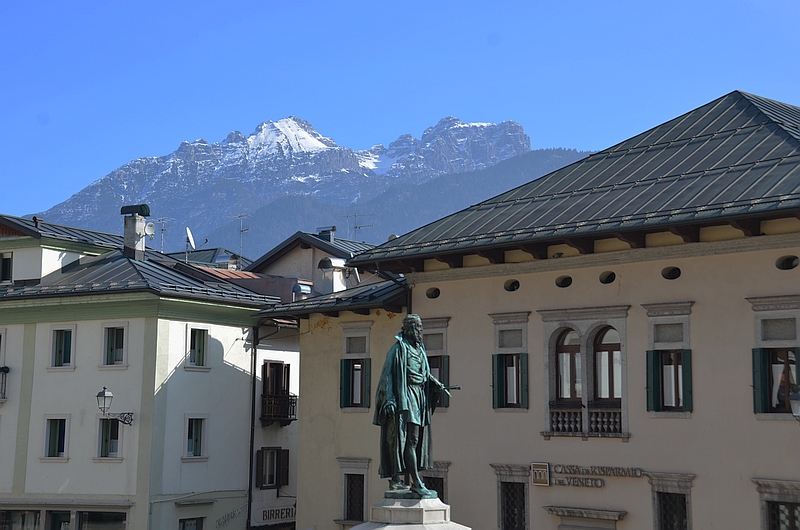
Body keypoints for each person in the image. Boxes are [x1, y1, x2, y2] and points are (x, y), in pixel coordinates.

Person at [373, 314, 450, 497]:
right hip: (405, 398)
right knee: (410, 440)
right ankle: (415, 481)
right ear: (407, 329)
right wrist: (389, 400)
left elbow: (423, 374)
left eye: (421, 328)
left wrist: (435, 383)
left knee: (414, 441)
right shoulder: (398, 349)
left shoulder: (420, 349)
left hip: (419, 398)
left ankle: (401, 480)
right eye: (417, 328)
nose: (420, 332)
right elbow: (387, 377)